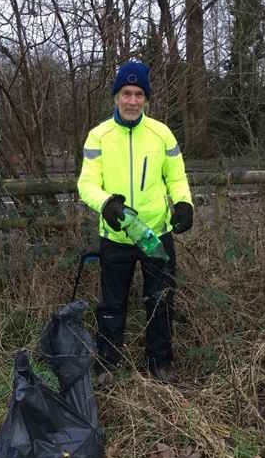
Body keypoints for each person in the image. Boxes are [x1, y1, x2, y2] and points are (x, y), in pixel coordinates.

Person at [77, 60, 193, 382]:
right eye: (126, 93)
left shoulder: (161, 134)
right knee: (112, 304)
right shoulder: (98, 136)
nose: (132, 100)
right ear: (116, 97)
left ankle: (160, 363)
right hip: (116, 238)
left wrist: (184, 203)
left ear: (146, 98)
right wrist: (106, 204)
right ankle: (108, 365)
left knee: (160, 300)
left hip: (155, 235)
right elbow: (86, 185)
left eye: (138, 94)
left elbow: (178, 178)